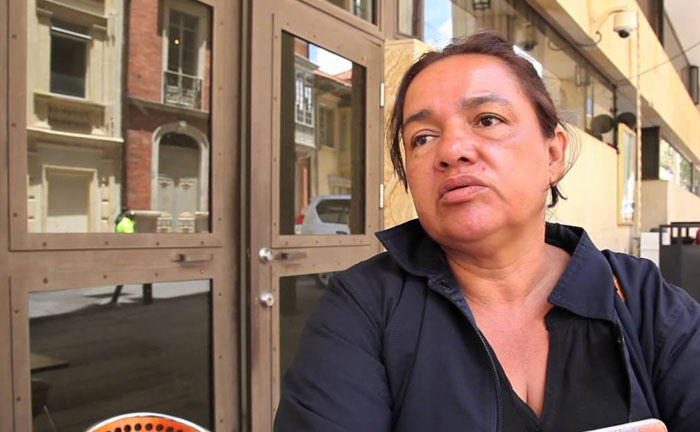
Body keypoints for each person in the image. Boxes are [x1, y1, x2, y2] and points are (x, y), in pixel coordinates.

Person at [273, 31, 700, 432]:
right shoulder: (362, 308)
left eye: (488, 119)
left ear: (553, 154)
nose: (452, 150)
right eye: (422, 138)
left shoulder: (643, 300)